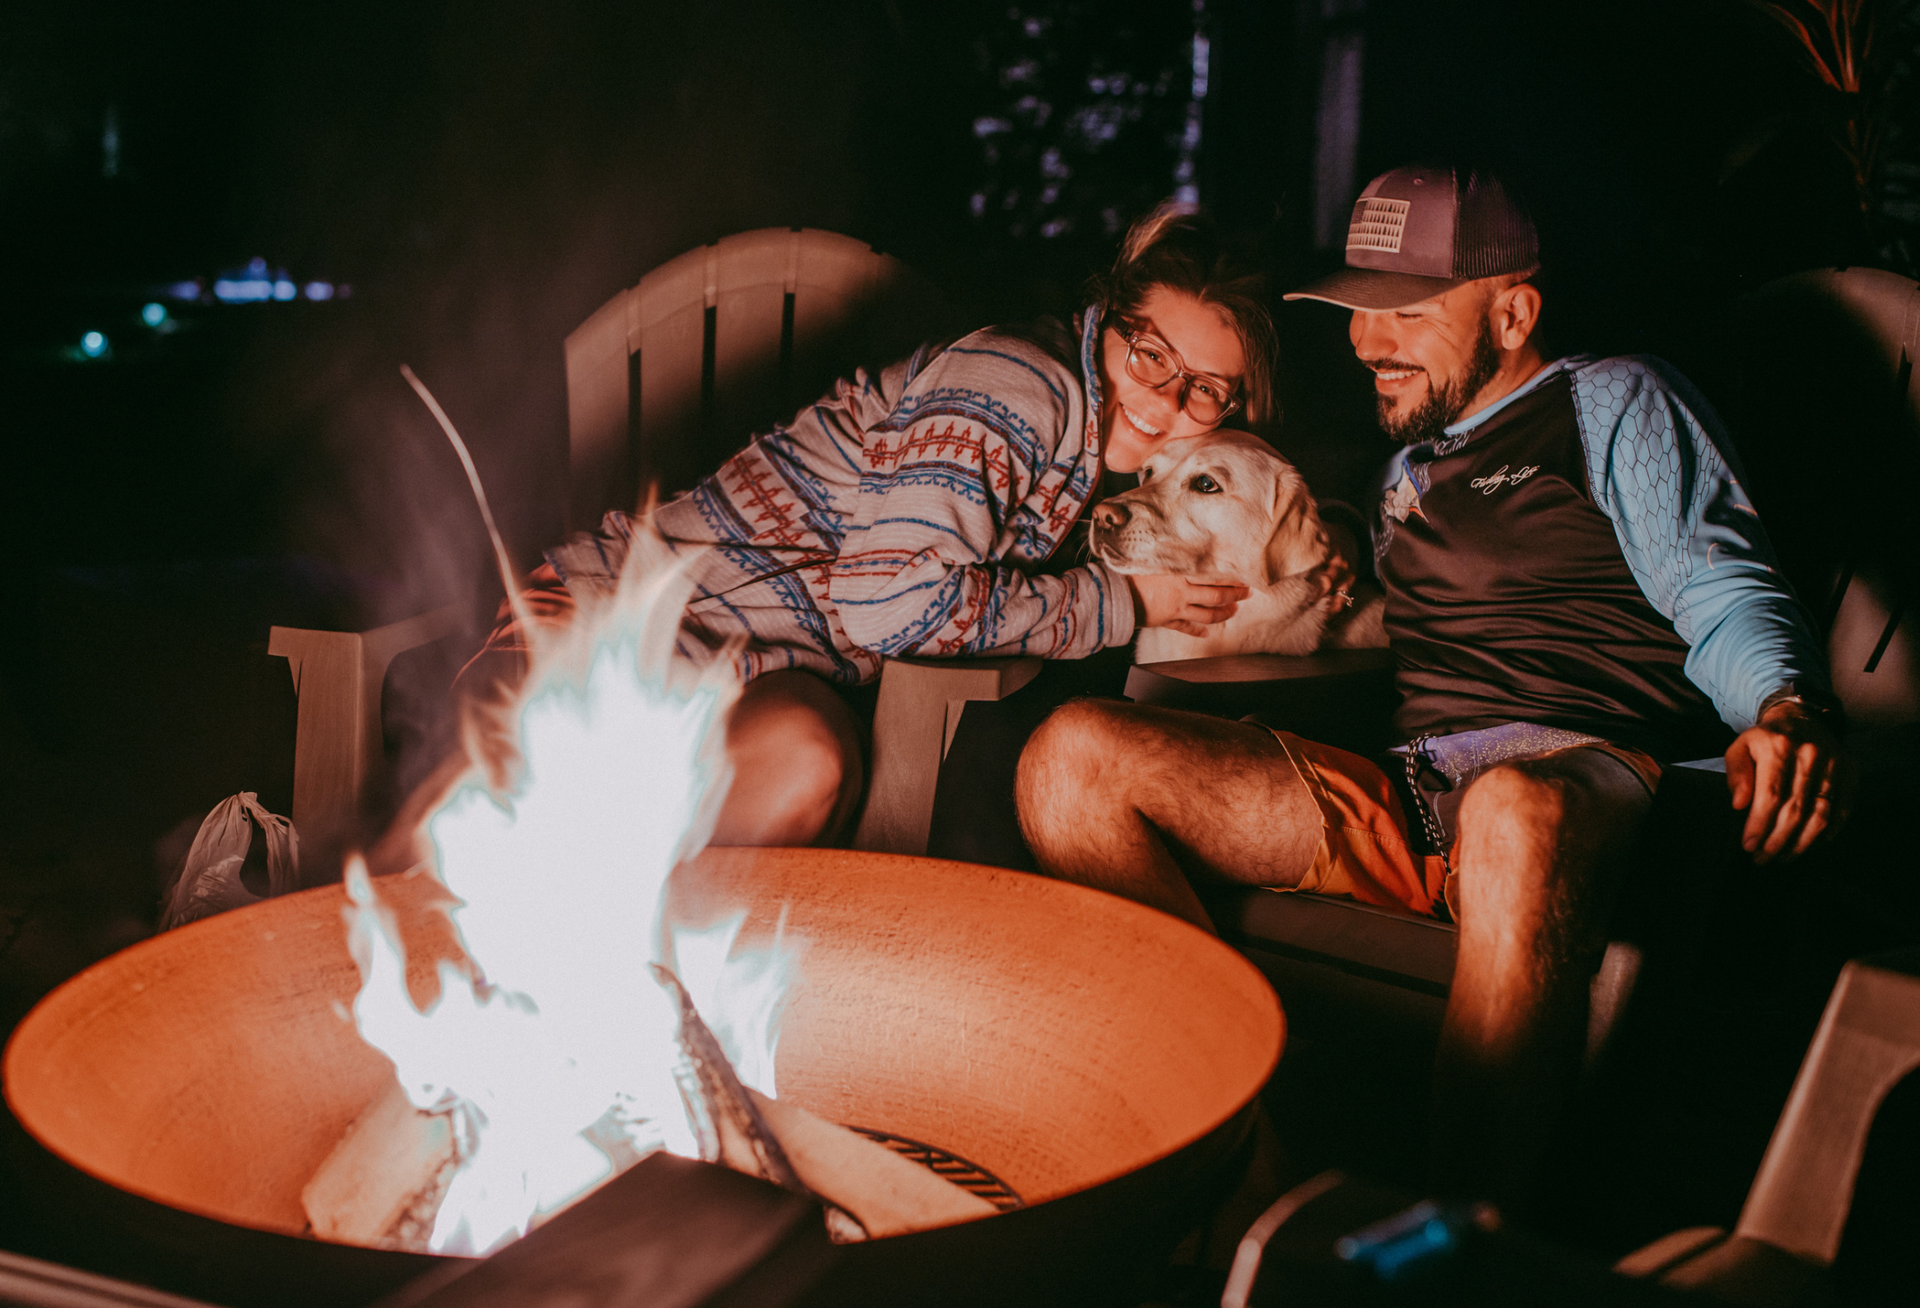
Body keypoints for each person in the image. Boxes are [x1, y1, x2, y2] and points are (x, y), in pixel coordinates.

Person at [1013, 163, 1855, 1209]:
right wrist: (1334, 556)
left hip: (1593, 788)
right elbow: (1377, 614)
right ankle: (1251, 1174)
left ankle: (1452, 1249)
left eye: (1406, 312)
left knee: (1511, 807)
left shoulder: (1609, 403)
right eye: (1357, 312)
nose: (1368, 341)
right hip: (1418, 802)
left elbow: (1720, 584)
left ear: (1513, 310)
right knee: (1070, 761)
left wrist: (1783, 708)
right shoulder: (1405, 475)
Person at [456, 203, 1279, 847]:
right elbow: (887, 605)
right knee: (537, 795)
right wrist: (1123, 606)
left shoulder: (1105, 465)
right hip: (610, 625)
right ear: (1109, 323)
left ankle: (623, 941)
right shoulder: (1020, 386)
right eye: (1152, 356)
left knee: (810, 768)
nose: (1169, 400)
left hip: (752, 670)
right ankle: (558, 913)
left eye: (1208, 388)